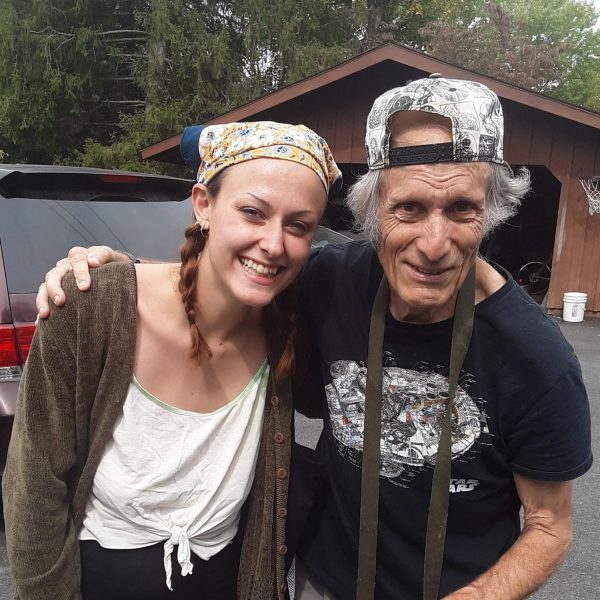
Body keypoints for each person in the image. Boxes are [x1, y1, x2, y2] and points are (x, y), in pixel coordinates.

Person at [36, 77, 593, 600]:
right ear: (374, 209)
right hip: (319, 583)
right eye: (409, 208)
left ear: (490, 212)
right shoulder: (332, 282)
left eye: (462, 209)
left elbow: (550, 527)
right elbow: (228, 278)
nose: (434, 241)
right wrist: (116, 276)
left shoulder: (536, 360)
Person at [3, 120, 341, 600]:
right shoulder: (91, 307)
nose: (273, 243)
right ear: (203, 204)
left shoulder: (287, 334)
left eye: (299, 226)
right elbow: (33, 491)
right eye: (252, 212)